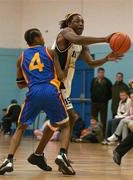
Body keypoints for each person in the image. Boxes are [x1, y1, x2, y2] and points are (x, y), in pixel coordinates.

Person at [0, 28, 75, 176]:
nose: (44, 38)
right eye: (42, 35)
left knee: (20, 128)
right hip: (51, 90)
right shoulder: (50, 53)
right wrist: (69, 65)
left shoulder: (20, 58)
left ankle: (9, 160)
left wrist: (34, 80)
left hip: (33, 91)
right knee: (65, 125)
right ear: (37, 38)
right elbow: (61, 76)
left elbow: (20, 84)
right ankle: (62, 155)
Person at [52, 12, 123, 149]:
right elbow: (76, 39)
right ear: (69, 24)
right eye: (77, 21)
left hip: (65, 85)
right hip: (54, 81)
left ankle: (55, 154)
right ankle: (59, 154)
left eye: (83, 22)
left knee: (68, 119)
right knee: (66, 119)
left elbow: (91, 62)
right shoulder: (66, 32)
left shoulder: (82, 45)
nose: (81, 24)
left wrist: (107, 58)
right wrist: (104, 39)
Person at [91, 67, 112, 136]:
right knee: (94, 119)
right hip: (94, 103)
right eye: (99, 72)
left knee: (103, 120)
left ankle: (102, 136)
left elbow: (111, 93)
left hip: (103, 103)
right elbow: (91, 90)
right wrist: (93, 98)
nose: (101, 74)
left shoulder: (107, 81)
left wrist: (105, 99)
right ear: (97, 73)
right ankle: (93, 135)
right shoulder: (93, 80)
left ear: (104, 73)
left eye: (102, 73)